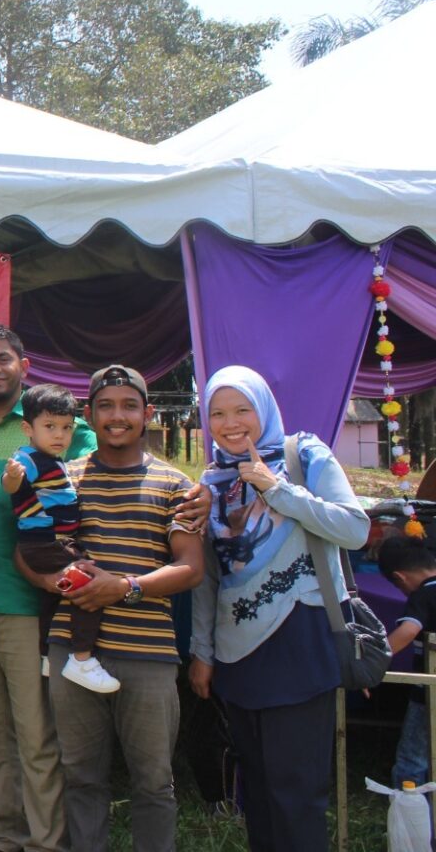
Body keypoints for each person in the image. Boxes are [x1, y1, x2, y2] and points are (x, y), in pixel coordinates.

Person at [20, 365, 204, 852]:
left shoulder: (176, 484)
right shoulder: (61, 476)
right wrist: (56, 583)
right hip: (72, 653)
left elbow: (190, 569)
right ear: (88, 414)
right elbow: (27, 548)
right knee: (80, 778)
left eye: (128, 406)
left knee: (153, 782)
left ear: (147, 414)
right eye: (106, 406)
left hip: (148, 654)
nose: (117, 416)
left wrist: (122, 588)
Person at [188, 365, 369, 852]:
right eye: (218, 413)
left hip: (300, 638)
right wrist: (202, 650)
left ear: (263, 408)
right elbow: (208, 577)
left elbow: (354, 530)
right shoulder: (211, 479)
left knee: (296, 793)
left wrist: (277, 489)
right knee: (260, 791)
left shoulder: (303, 454)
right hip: (238, 651)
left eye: (242, 409)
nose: (230, 423)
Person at [0, 323, 93, 852]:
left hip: (30, 602)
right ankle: (1, 839)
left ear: (24, 366)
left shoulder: (59, 432)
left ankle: (45, 842)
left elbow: (110, 472)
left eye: (1, 359)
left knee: (35, 734)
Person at [3, 382, 120, 694]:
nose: (59, 435)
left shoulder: (55, 461)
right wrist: (12, 479)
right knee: (88, 585)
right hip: (45, 543)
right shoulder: (28, 457)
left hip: (53, 543)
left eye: (66, 427)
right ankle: (82, 658)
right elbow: (13, 481)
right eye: (50, 426)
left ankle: (45, 656)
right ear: (28, 428)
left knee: (50, 598)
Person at [377, 535, 436, 787]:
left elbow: (408, 631)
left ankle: (415, 822)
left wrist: (375, 659)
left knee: (413, 760)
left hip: (428, 693)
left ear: (400, 578)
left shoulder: (423, 595)